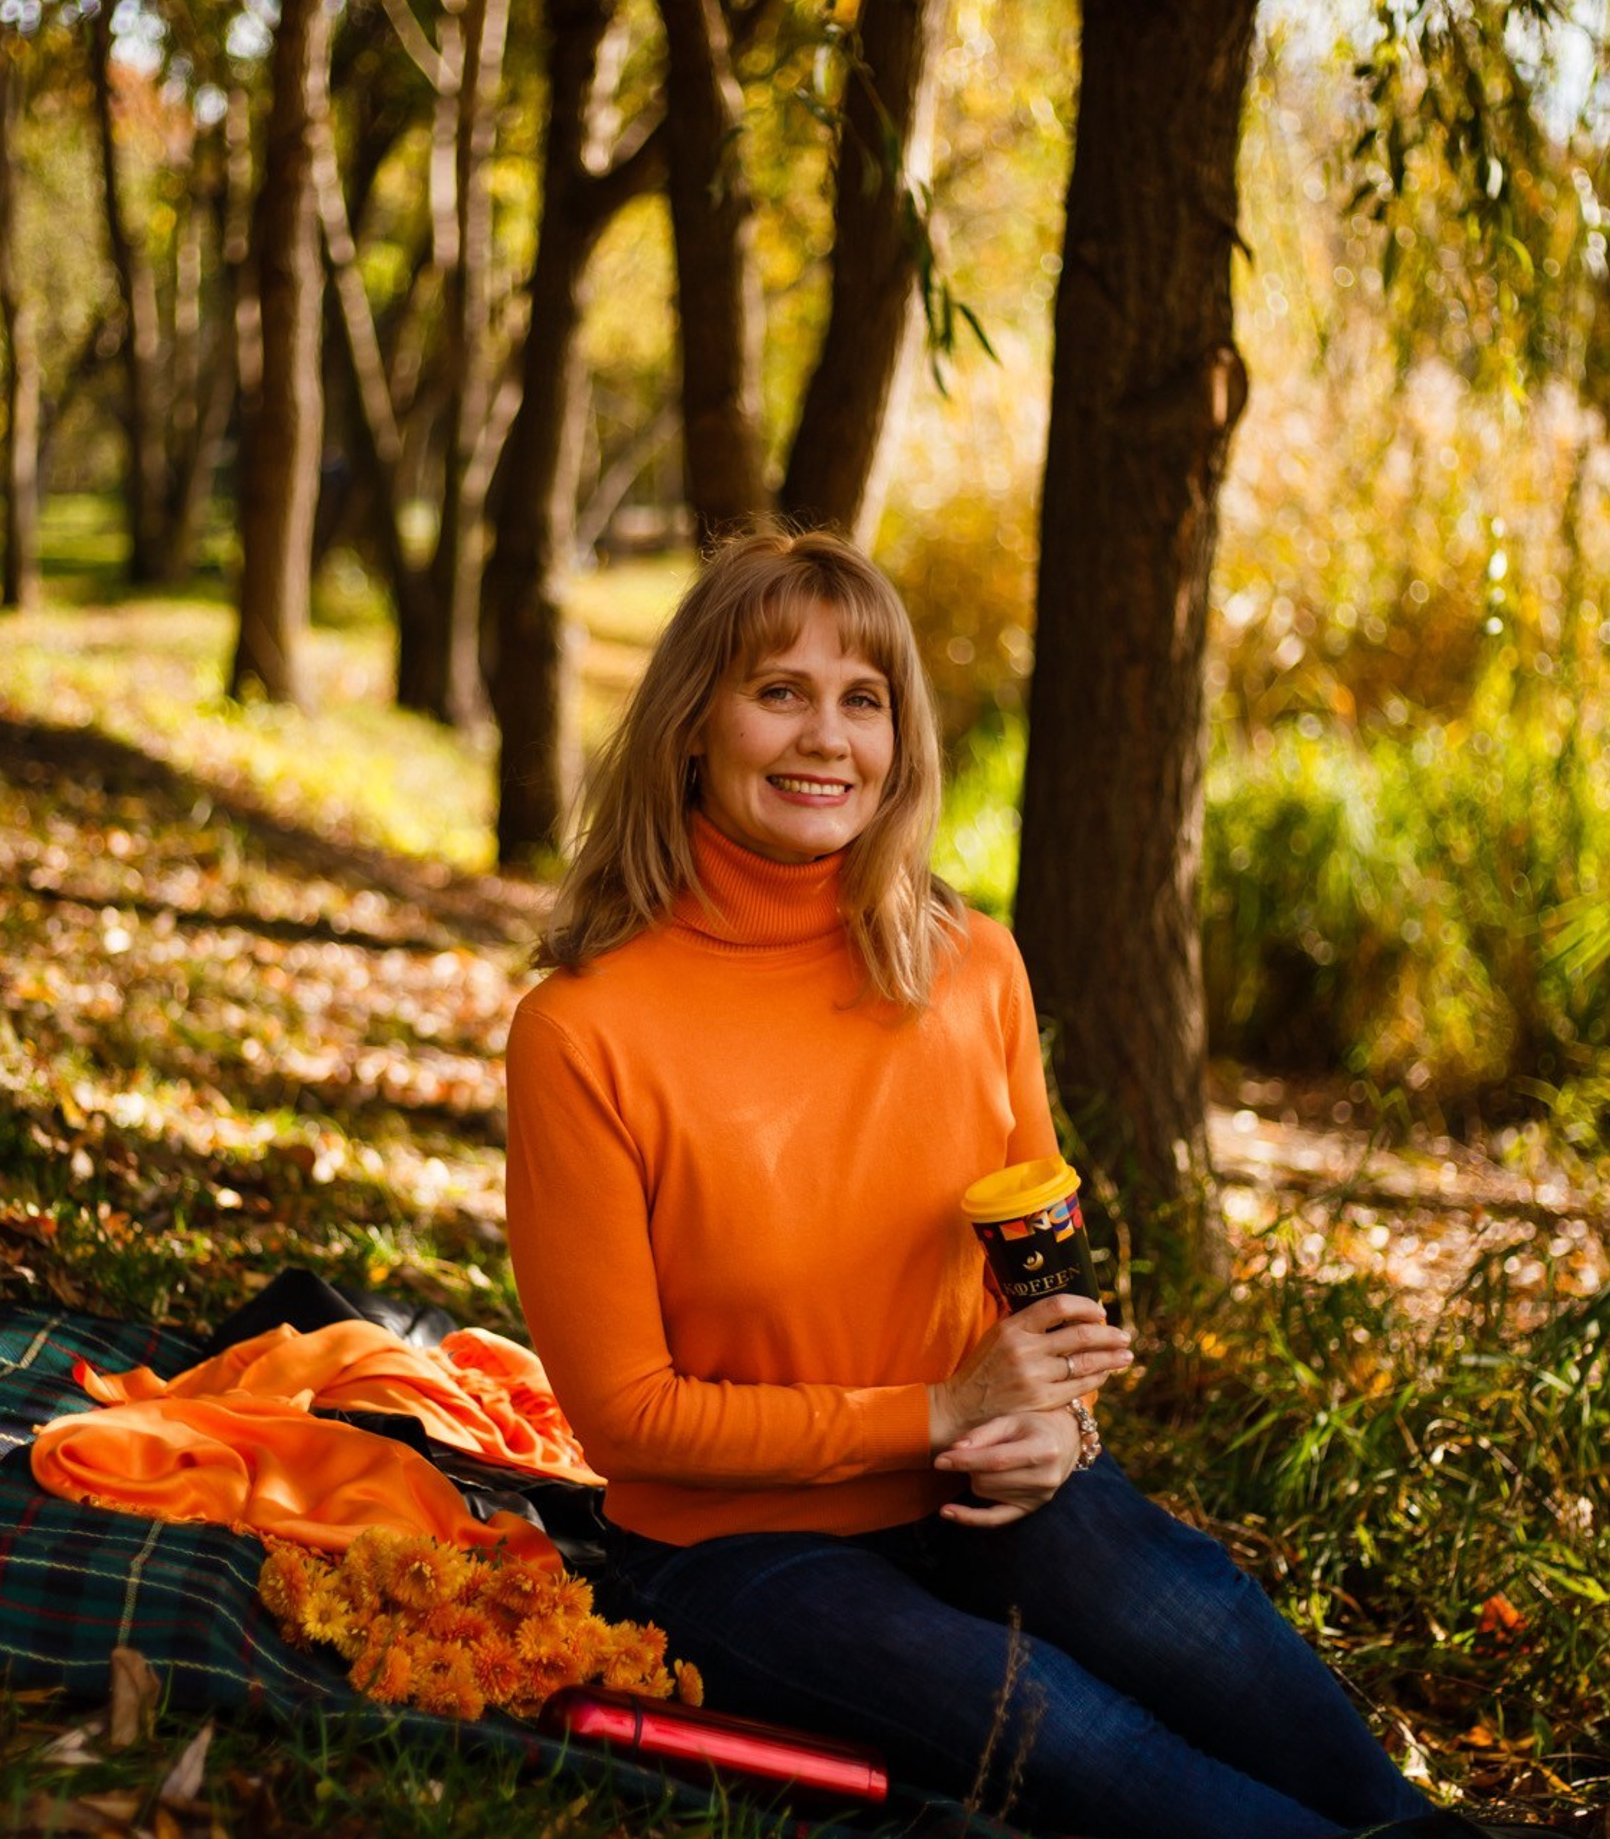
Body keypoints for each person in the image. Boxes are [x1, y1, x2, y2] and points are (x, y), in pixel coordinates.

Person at [502, 530, 1443, 1839]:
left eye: (863, 698)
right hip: (734, 1555)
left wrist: (1061, 1423)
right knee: (1076, 1734)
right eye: (778, 690)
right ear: (689, 731)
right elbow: (626, 1421)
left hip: (986, 1482)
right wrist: (939, 1410)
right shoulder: (584, 1029)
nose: (826, 736)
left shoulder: (971, 966)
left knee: (1212, 1640)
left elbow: (1036, 1277)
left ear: (899, 742)